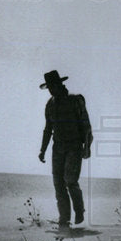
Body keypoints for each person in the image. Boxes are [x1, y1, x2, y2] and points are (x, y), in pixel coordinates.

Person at [38, 70, 92, 227]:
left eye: (53, 86)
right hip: (58, 148)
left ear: (60, 84)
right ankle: (64, 218)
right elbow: (48, 129)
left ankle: (79, 210)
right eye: (48, 87)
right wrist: (42, 150)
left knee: (70, 180)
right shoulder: (50, 105)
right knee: (58, 183)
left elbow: (86, 126)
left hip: (74, 146)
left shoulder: (75, 101)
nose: (51, 90)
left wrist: (87, 147)